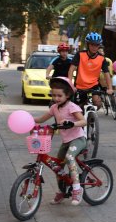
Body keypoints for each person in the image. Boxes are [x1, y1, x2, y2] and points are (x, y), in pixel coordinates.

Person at [33, 77, 87, 206]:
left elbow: (83, 121)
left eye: (59, 95)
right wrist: (28, 120)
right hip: (66, 141)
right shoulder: (54, 108)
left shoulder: (72, 107)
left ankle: (77, 189)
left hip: (78, 139)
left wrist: (71, 123)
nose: (56, 98)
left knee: (69, 157)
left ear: (67, 95)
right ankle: (62, 191)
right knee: (57, 167)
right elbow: (41, 119)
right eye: (54, 95)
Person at [68, 32, 113, 108]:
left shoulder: (102, 58)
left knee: (98, 104)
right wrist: (70, 85)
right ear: (88, 44)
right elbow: (71, 70)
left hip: (93, 85)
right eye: (92, 44)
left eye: (97, 45)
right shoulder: (80, 54)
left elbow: (106, 73)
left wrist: (110, 88)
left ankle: (91, 117)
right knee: (79, 108)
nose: (94, 47)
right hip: (79, 86)